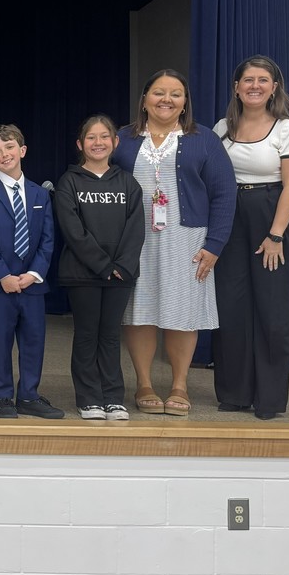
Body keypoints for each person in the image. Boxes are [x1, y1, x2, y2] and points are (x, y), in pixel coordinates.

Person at [112, 70, 236, 417]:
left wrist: (214, 245)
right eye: (158, 92)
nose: (166, 99)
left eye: (176, 94)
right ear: (144, 99)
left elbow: (224, 194)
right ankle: (144, 383)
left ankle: (180, 384)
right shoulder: (123, 138)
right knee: (140, 310)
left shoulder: (204, 139)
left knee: (183, 313)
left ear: (185, 103)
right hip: (135, 240)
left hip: (187, 239)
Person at [213, 56, 289, 420]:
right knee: (231, 307)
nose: (254, 85)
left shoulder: (286, 129)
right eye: (247, 80)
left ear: (274, 87)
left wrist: (275, 235)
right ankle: (234, 393)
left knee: (272, 311)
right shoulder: (221, 127)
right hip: (230, 218)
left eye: (262, 80)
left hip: (271, 217)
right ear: (236, 87)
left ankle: (269, 399)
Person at [54, 115, 144, 421]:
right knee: (87, 335)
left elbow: (136, 229)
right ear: (80, 144)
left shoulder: (128, 183)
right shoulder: (70, 182)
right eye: (91, 138)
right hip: (84, 274)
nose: (98, 143)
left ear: (115, 143)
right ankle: (89, 398)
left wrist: (121, 266)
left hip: (120, 274)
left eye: (104, 137)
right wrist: (104, 265)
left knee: (110, 336)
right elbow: (73, 230)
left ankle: (113, 397)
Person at [0, 124, 63, 419]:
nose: (4, 154)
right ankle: (2, 397)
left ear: (22, 150)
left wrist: (34, 274)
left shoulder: (39, 194)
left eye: (9, 147)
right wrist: (4, 275)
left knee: (33, 340)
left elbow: (48, 239)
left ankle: (29, 395)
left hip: (32, 283)